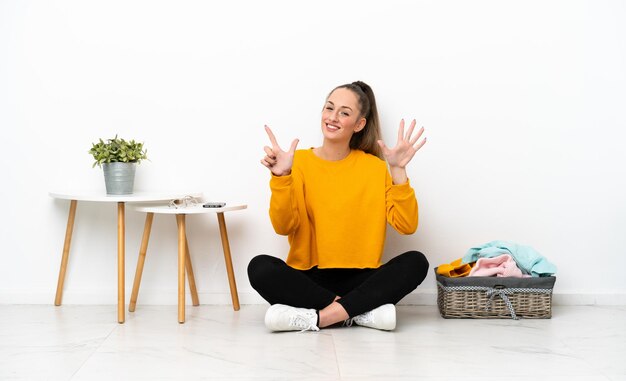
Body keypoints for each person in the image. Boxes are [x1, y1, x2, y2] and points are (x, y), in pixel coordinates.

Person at [248, 81, 429, 332]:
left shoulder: (375, 168)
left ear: (359, 124)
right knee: (260, 268)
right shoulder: (296, 162)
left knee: (416, 262)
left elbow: (407, 226)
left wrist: (397, 170)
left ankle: (319, 318)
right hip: (309, 278)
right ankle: (357, 313)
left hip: (361, 278)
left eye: (344, 112)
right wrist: (281, 177)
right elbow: (283, 226)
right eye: (329, 108)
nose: (333, 118)